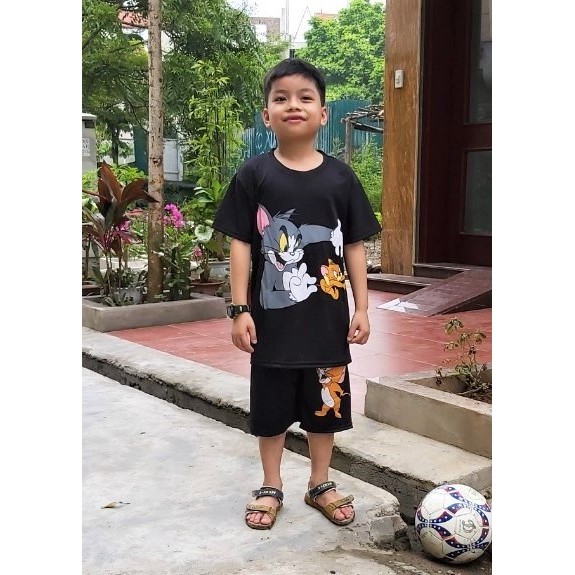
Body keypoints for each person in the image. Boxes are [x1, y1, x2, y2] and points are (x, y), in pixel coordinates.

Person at [213, 57, 381, 530]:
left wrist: (363, 308)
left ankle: (319, 482)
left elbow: (354, 245)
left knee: (326, 408)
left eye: (305, 98)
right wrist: (240, 309)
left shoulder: (341, 178)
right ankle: (271, 484)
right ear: (266, 115)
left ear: (323, 114)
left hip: (328, 326)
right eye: (281, 98)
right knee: (269, 411)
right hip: (271, 327)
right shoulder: (254, 175)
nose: (294, 105)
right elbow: (241, 244)